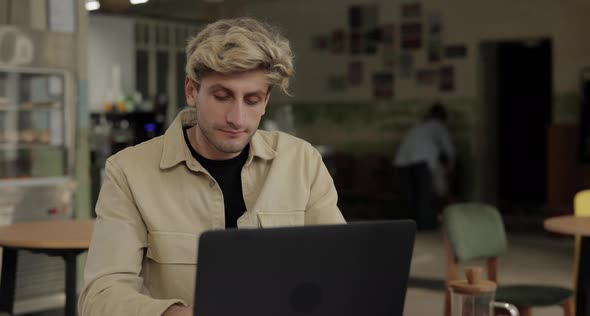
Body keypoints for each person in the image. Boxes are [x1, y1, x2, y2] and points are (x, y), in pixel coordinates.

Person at [78, 17, 346, 316]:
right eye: (222, 96)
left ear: (267, 100)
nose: (237, 118)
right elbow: (100, 296)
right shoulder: (129, 172)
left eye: (253, 99)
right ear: (192, 91)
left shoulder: (302, 163)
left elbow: (338, 271)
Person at [394, 103, 455, 230]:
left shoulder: (420, 126)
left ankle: (407, 227)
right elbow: (449, 148)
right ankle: (424, 226)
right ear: (443, 117)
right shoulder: (438, 126)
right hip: (421, 162)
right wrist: (451, 165)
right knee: (424, 197)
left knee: (410, 197)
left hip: (402, 163)